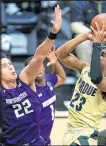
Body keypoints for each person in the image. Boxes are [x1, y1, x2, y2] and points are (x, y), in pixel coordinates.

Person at [47, 22, 106, 145]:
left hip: (89, 132)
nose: (98, 54)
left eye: (102, 55)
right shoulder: (85, 68)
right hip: (75, 134)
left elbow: (96, 78)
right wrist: (84, 36)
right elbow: (60, 54)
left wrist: (97, 44)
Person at [0, 4, 62, 146]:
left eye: (10, 64)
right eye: (4, 66)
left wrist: (53, 33)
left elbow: (39, 56)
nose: (10, 67)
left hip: (36, 142)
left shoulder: (25, 80)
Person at [24, 46, 66, 145]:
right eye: (33, 67)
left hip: (46, 140)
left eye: (39, 65)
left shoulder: (49, 79)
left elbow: (62, 77)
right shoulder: (28, 91)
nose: (38, 69)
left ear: (43, 66)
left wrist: (55, 61)